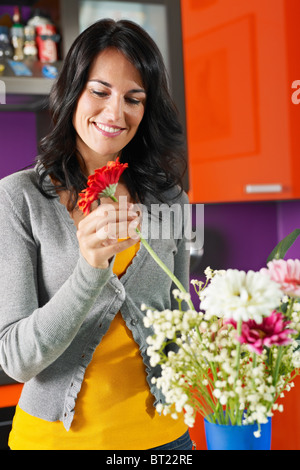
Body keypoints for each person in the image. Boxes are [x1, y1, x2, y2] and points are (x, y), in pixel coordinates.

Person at [0, 19, 192, 450]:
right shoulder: (19, 199)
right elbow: (15, 360)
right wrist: (89, 270)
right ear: (73, 91)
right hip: (55, 441)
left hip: (166, 441)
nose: (115, 112)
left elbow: (182, 318)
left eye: (134, 98)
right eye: (100, 91)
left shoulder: (171, 200)